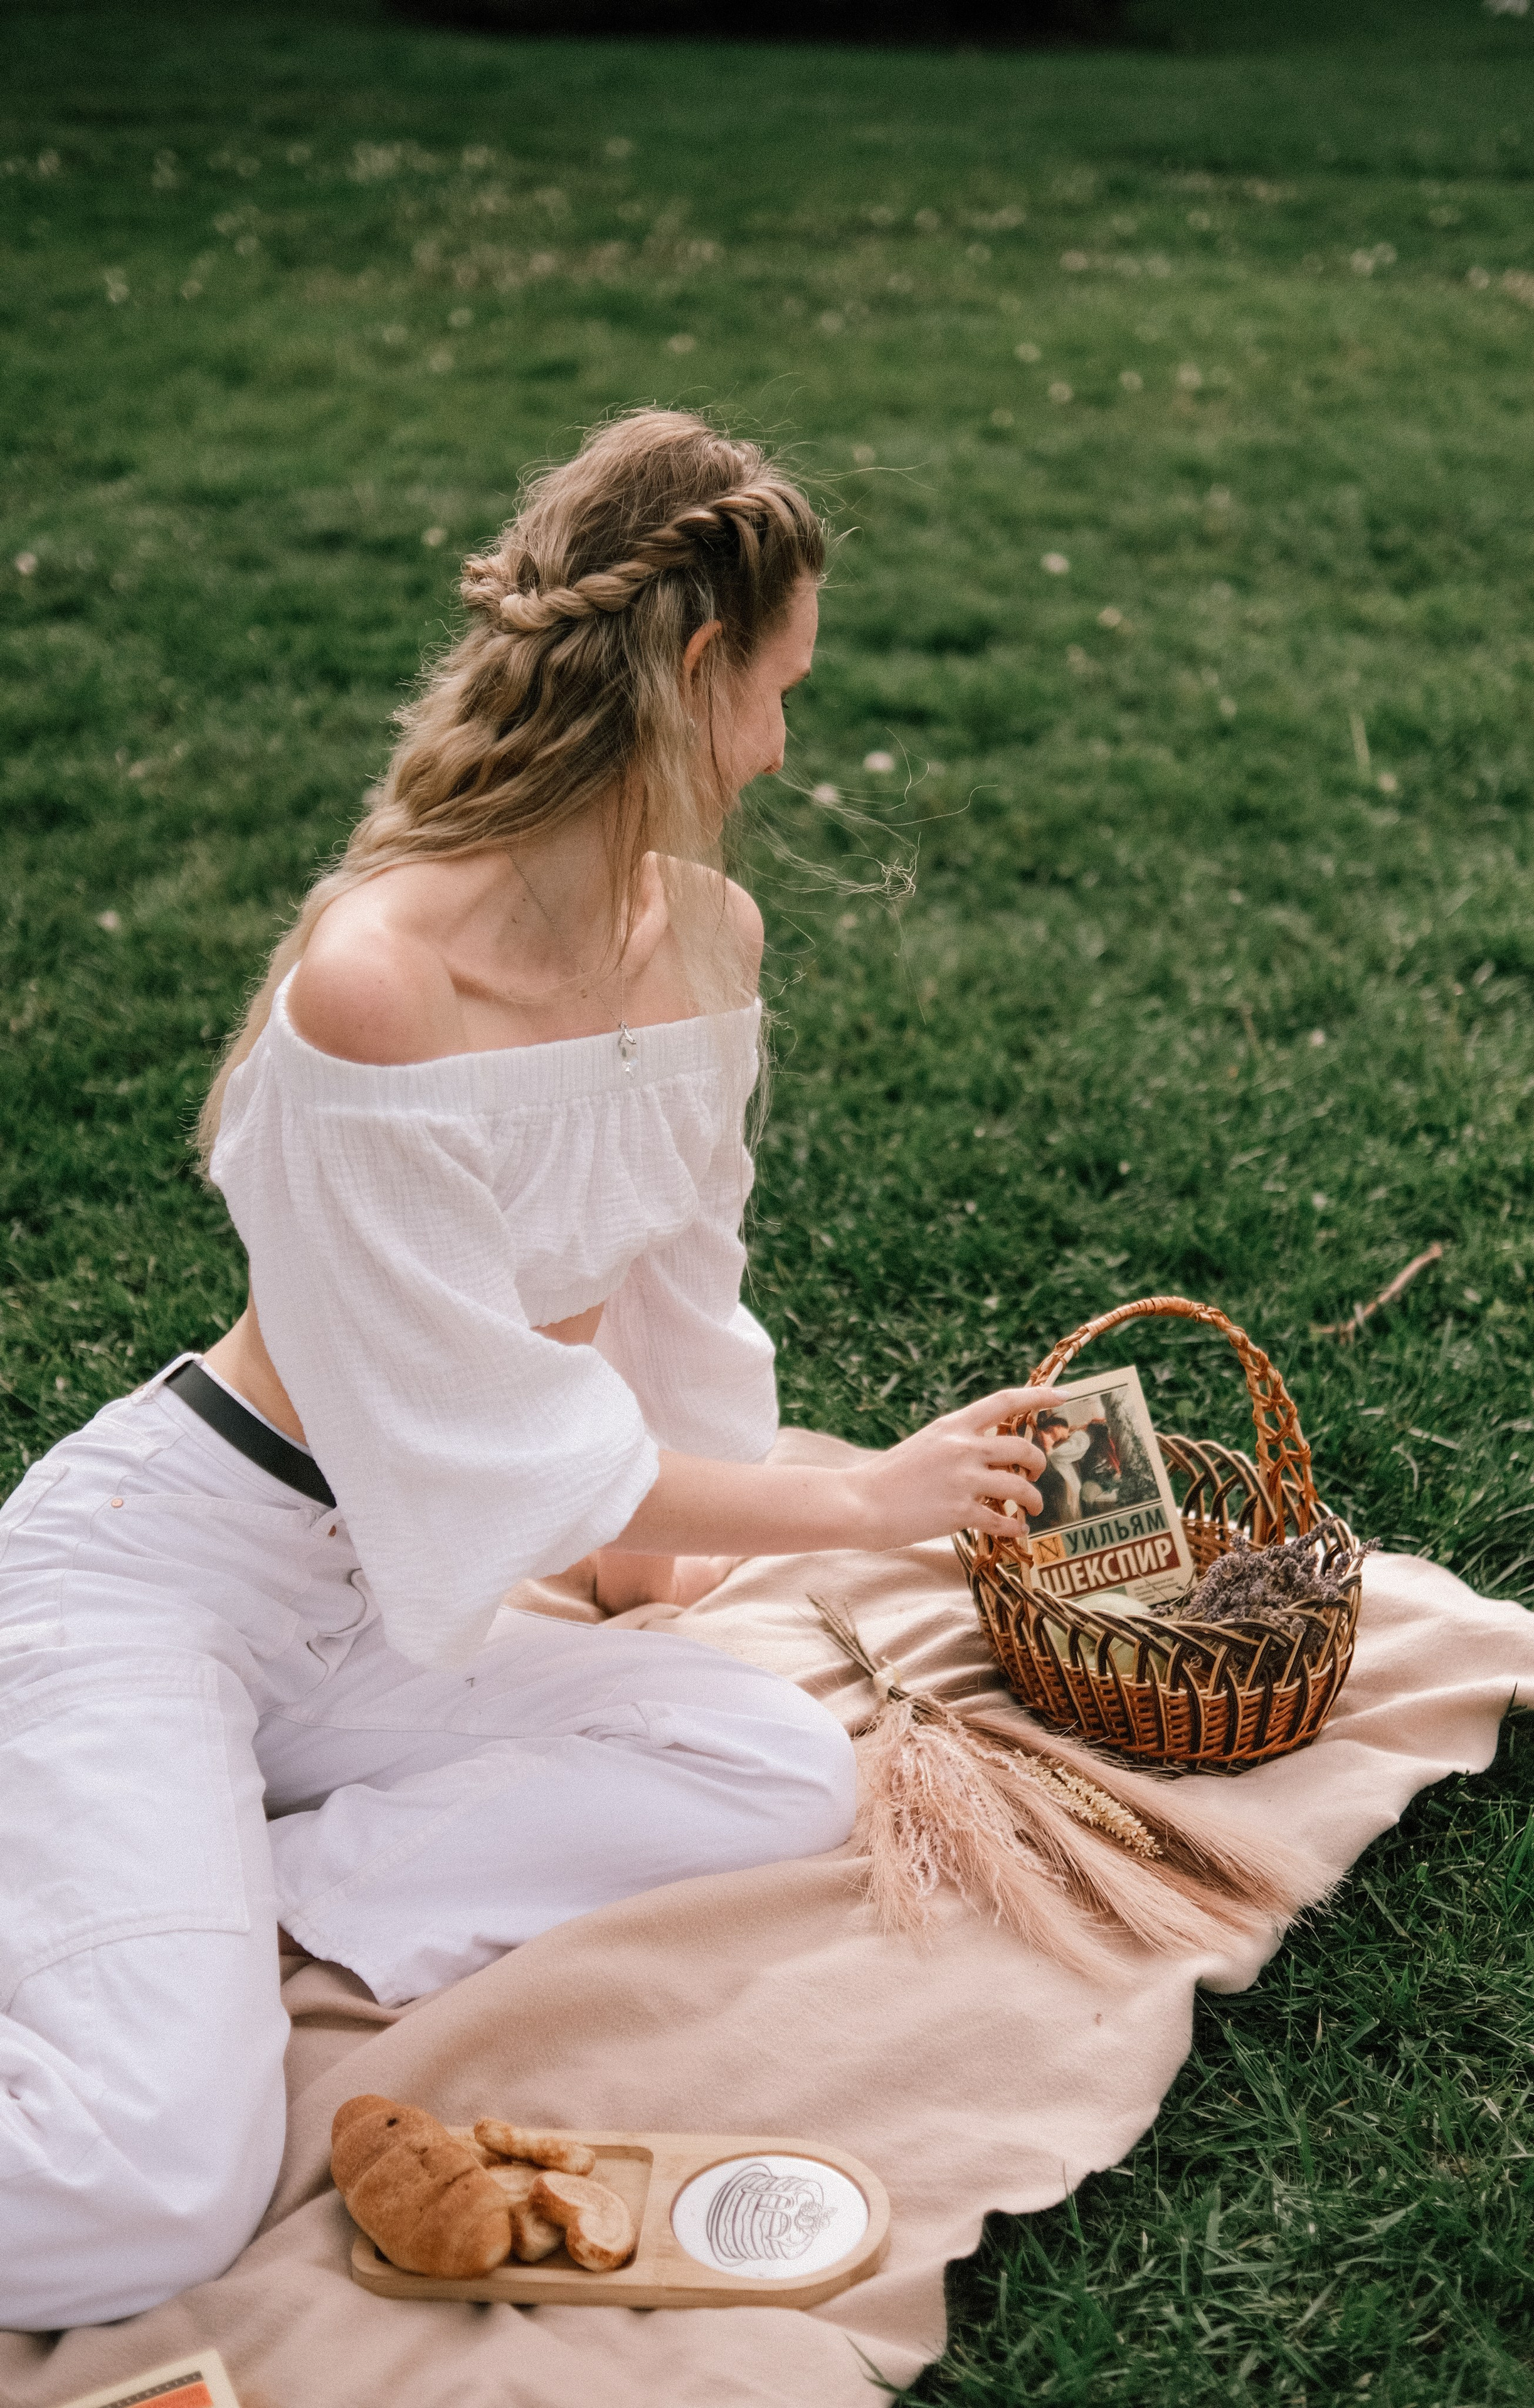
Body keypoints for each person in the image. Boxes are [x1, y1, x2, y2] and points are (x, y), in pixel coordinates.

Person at [0, 409, 1049, 2331]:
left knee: (759, 1760)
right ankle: (144, 1898)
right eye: (781, 693)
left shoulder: (708, 943)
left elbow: (679, 1306)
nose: (787, 750)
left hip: (403, 1622)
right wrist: (859, 1501)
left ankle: (225, 1905)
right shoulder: (379, 981)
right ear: (697, 672)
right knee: (144, 2198)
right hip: (184, 1565)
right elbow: (490, 1453)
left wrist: (666, 1567)